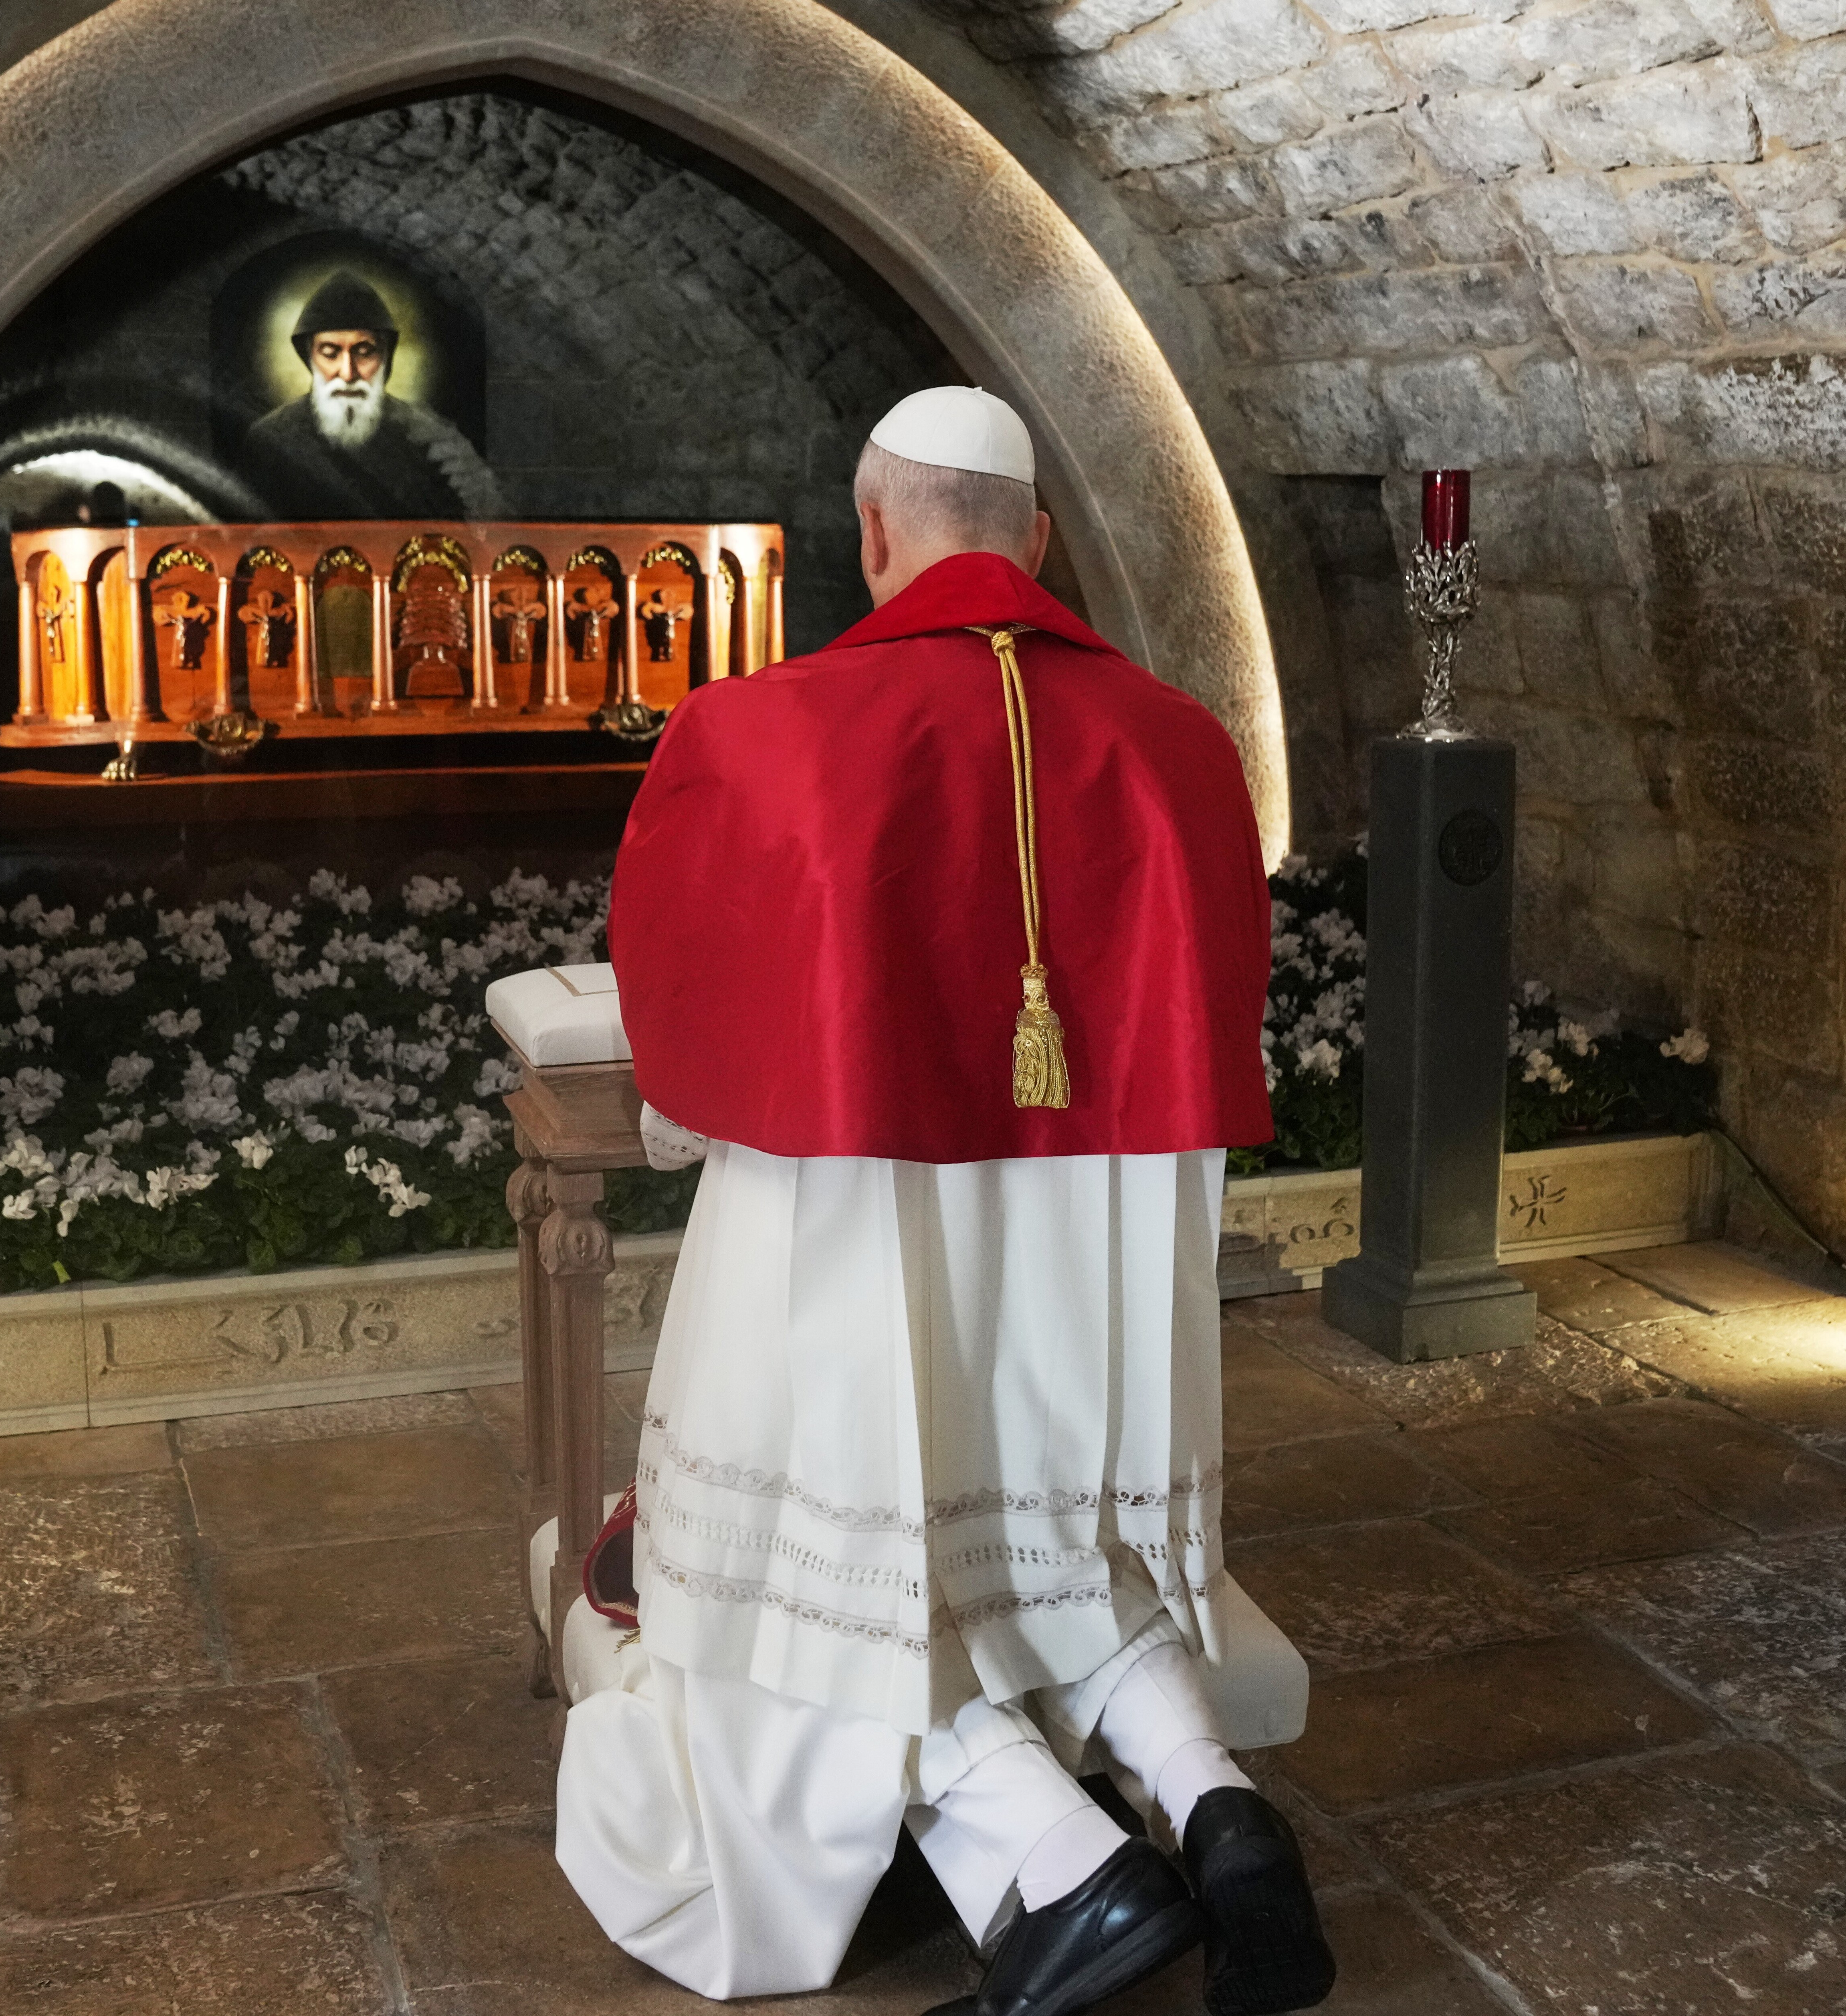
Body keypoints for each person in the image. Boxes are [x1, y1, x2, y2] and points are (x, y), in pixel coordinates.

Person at [556, 386, 1336, 2016]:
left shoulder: (755, 736)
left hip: (851, 1259)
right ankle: (1213, 1800)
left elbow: (679, 1037)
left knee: (806, 1570)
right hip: (1088, 1288)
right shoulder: (1186, 749)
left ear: (870, 536)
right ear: (1038, 542)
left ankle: (1059, 1863)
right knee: (1045, 1549)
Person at [236, 273, 502, 519]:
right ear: (310, 358)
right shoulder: (269, 439)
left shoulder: (428, 438)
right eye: (330, 353)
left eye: (364, 352)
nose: (348, 373)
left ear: (386, 357)